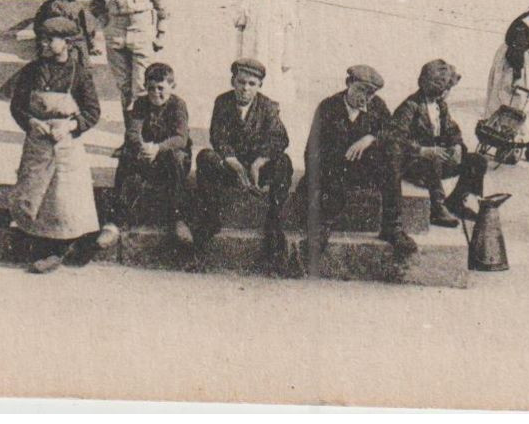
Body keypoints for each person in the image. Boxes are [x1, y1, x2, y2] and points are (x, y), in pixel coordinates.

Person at [9, 17, 105, 273]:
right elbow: (16, 106)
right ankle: (40, 245)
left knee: (64, 199)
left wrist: (71, 126)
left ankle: (61, 249)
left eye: (50, 39)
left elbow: (93, 111)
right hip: (38, 144)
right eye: (41, 39)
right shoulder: (31, 71)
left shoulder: (79, 73)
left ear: (67, 43)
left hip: (66, 146)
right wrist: (30, 121)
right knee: (35, 194)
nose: (44, 44)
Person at [302, 65, 415, 261]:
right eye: (361, 90)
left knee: (391, 155)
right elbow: (312, 150)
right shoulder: (328, 107)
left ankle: (392, 227)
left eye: (370, 93)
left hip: (362, 171)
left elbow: (393, 132)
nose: (366, 97)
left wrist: (370, 138)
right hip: (333, 170)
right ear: (348, 84)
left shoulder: (377, 106)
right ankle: (321, 228)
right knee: (328, 179)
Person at [192, 58, 293, 267]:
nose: (245, 88)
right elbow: (217, 136)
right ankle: (211, 215)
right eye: (241, 82)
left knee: (284, 162)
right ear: (233, 81)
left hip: (258, 169)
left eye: (252, 84)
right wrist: (232, 160)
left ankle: (274, 220)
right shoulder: (222, 102)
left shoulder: (268, 106)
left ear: (259, 86)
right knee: (205, 157)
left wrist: (260, 161)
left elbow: (279, 138)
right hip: (231, 167)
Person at [387, 59, 489, 228]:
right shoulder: (410, 107)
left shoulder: (440, 106)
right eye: (446, 88)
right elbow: (395, 138)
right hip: (414, 162)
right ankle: (436, 208)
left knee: (478, 161)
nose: (448, 92)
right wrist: (422, 150)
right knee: (432, 160)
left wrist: (456, 145)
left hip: (436, 157)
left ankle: (457, 201)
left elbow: (452, 130)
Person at [101, 62, 193, 246]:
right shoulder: (141, 104)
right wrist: (142, 147)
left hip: (168, 156)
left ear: (172, 87)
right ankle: (115, 223)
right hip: (147, 155)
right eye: (151, 88)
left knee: (177, 157)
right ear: (145, 87)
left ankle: (178, 219)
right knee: (126, 155)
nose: (156, 93)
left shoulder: (178, 105)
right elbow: (133, 132)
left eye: (161, 88)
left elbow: (180, 138)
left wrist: (157, 148)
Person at [91, 0, 167, 124]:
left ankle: (145, 136)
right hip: (116, 30)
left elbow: (160, 2)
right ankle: (130, 138)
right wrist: (105, 23)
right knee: (123, 86)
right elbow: (96, 3)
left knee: (142, 85)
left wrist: (161, 32)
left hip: (141, 27)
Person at [482, 7, 529, 165]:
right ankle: (509, 146)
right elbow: (514, 53)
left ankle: (527, 145)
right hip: (513, 66)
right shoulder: (522, 26)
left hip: (523, 63)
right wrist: (516, 76)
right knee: (516, 103)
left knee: (527, 103)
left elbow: (528, 48)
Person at [233, 0, 298, 117]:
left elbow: (288, 31)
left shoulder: (282, 1)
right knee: (250, 85)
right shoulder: (248, 1)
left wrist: (287, 58)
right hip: (252, 50)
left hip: (273, 52)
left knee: (272, 87)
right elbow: (240, 32)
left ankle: (270, 120)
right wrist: (239, 58)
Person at [34, 0, 101, 65]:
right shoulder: (55, 6)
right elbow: (48, 27)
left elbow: (87, 29)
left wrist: (92, 45)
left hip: (79, 49)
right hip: (62, 49)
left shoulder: (78, 6)